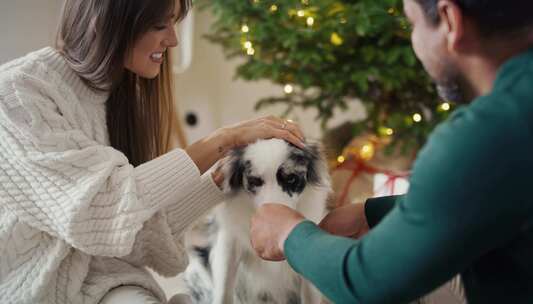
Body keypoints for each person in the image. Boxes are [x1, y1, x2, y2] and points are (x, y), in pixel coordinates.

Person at [0, 0, 305, 303]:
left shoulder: (118, 96)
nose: (172, 39)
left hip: (105, 283)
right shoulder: (17, 94)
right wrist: (220, 141)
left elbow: (136, 232)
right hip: (33, 290)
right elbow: (101, 213)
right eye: (160, 24)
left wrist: (218, 178)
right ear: (107, 22)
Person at [250, 0, 533, 303]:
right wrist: (371, 213)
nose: (413, 40)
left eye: (411, 24)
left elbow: (369, 282)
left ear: (450, 20)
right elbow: (496, 191)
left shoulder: (491, 131)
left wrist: (289, 235)